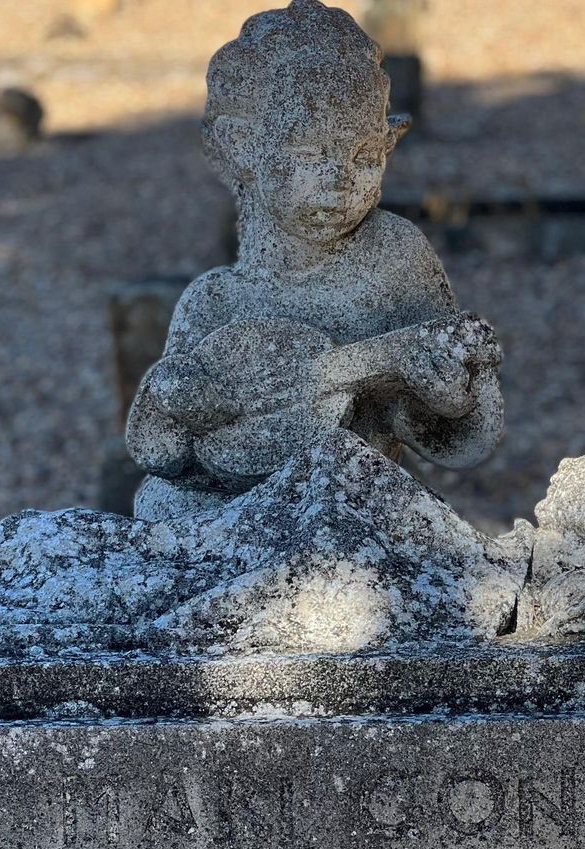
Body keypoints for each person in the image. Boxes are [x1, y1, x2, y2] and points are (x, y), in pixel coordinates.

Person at [126, 0, 503, 520]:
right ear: (243, 147)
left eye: (364, 158)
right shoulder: (214, 300)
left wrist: (448, 397)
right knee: (158, 505)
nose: (339, 181)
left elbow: (467, 438)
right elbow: (161, 454)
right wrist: (174, 399)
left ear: (388, 144)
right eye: (309, 157)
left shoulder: (395, 257)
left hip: (356, 508)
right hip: (228, 510)